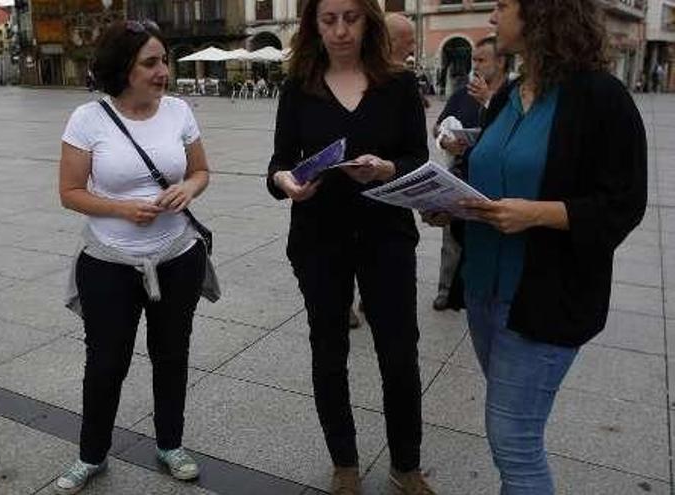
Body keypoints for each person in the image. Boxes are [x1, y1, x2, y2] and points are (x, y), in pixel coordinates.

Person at [424, 0, 646, 492]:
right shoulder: (507, 98)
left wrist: (538, 214)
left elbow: (623, 203)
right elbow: (489, 174)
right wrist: (450, 205)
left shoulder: (600, 97)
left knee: (515, 443)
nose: (491, 18)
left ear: (543, 13)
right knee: (515, 434)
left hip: (546, 298)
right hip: (484, 290)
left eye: (503, 6)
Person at [266, 0, 433, 492]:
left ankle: (406, 466)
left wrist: (387, 169)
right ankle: (345, 464)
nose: (340, 30)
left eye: (352, 18)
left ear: (369, 22)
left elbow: (417, 158)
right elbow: (279, 164)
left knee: (400, 353)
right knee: (329, 348)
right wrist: (286, 182)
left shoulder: (398, 83)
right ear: (313, 25)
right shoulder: (298, 87)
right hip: (319, 237)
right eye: (329, 19)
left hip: (387, 237)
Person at [56, 19, 213, 495]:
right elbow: (69, 192)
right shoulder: (88, 119)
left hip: (177, 255)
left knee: (172, 355)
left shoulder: (180, 111)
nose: (163, 70)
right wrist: (122, 209)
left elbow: (202, 171)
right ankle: (91, 454)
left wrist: (187, 187)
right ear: (124, 68)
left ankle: (171, 444)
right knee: (106, 362)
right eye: (151, 62)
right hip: (109, 262)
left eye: (163, 60)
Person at [430, 36, 507, 311]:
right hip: (460, 173)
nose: (475, 65)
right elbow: (438, 127)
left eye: (481, 60)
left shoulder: (509, 96)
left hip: (493, 181)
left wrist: (488, 101)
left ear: (500, 62)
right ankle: (446, 289)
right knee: (451, 237)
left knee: (485, 238)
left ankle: (481, 290)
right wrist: (444, 139)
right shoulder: (462, 93)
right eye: (473, 59)